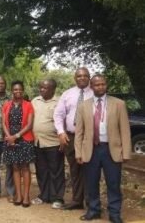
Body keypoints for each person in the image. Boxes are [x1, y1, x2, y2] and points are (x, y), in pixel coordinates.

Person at [75, 74, 131, 223]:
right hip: (91, 150)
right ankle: (93, 210)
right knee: (91, 183)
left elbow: (125, 130)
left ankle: (114, 213)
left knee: (113, 183)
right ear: (91, 87)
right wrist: (78, 152)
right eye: (97, 85)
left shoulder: (119, 104)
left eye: (103, 84)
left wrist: (126, 152)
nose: (100, 87)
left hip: (111, 150)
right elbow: (79, 131)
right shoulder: (83, 106)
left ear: (106, 85)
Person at [54, 67, 93, 210]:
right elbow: (58, 115)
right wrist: (61, 132)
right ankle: (77, 201)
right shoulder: (67, 94)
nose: (82, 78)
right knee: (75, 170)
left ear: (89, 77)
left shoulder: (95, 93)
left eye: (85, 75)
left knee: (90, 169)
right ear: (75, 78)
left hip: (89, 138)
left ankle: (91, 202)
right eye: (79, 76)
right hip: (70, 136)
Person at [31, 79, 65, 209]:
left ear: (53, 89)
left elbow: (64, 121)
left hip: (54, 143)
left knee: (56, 171)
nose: (42, 90)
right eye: (41, 87)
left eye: (45, 88)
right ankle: (44, 195)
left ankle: (58, 198)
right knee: (41, 171)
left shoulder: (60, 102)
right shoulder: (35, 101)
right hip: (38, 142)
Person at [1, 80, 35, 207]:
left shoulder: (28, 105)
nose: (18, 91)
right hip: (10, 140)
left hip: (24, 138)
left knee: (25, 168)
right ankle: (18, 195)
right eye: (15, 89)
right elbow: (3, 123)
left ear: (23, 91)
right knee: (15, 167)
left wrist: (16, 136)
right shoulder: (6, 105)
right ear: (12, 91)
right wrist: (9, 137)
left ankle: (26, 196)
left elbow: (29, 124)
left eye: (20, 89)